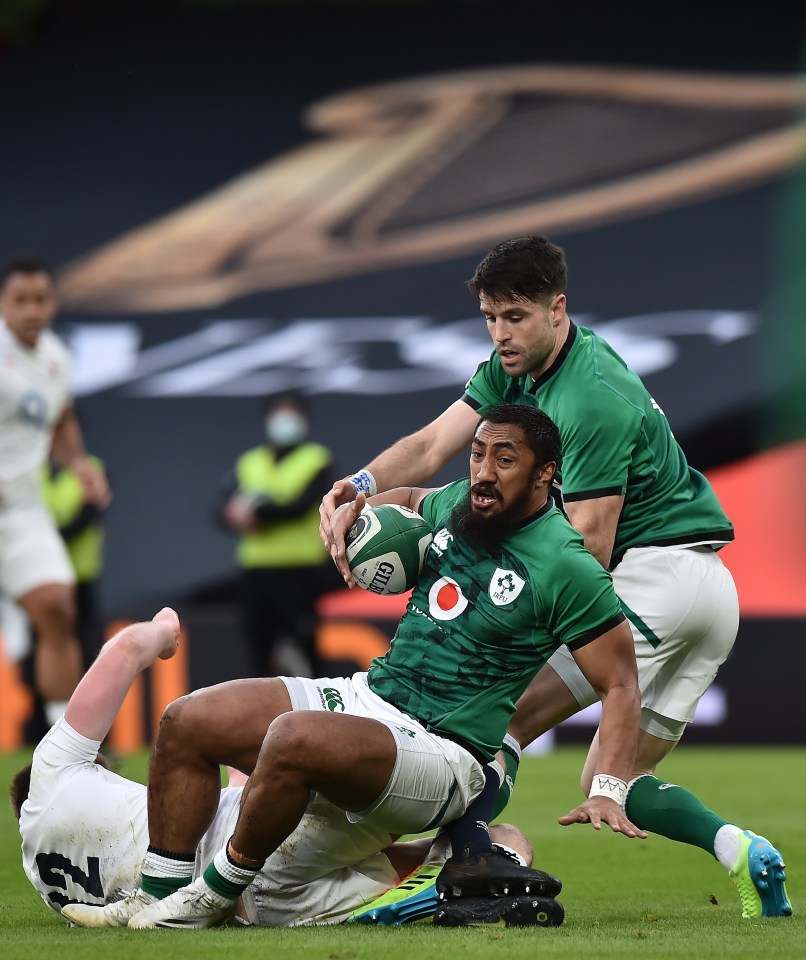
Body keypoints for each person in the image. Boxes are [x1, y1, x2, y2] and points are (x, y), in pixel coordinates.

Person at [319, 235, 792, 920]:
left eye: (515, 317)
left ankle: (450, 869)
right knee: (620, 779)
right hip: (705, 591)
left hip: (651, 576)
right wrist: (357, 486)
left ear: (557, 309)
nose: (500, 333)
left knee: (504, 717)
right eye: (490, 317)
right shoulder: (517, 369)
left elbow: (590, 550)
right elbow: (428, 446)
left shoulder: (589, 399)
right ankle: (741, 850)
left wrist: (489, 598)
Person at [63, 404, 643, 930]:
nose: (484, 471)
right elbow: (416, 499)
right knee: (186, 718)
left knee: (293, 738)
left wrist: (610, 788)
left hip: (446, 754)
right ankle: (153, 894)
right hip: (373, 697)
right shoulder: (459, 506)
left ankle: (208, 898)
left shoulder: (567, 564)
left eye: (505, 458)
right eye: (477, 453)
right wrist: (361, 516)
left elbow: (619, 681)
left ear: (545, 474)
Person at [11, 608, 544, 928]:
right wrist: (161, 630)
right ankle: (465, 846)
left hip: (263, 906)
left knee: (503, 839)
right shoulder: (53, 772)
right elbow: (124, 648)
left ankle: (429, 895)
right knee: (475, 781)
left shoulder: (47, 882)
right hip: (262, 840)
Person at [0, 255, 110, 728]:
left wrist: (79, 463)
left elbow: (60, 415)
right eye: (19, 300)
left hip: (22, 510)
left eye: (39, 299)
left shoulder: (56, 357)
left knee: (57, 608)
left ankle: (60, 746)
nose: (30, 310)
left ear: (53, 304)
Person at [218, 390, 336, 677]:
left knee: (303, 645)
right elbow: (221, 506)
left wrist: (257, 514)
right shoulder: (249, 462)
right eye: (278, 413)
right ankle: (262, 717)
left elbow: (300, 506)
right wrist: (233, 515)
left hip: (299, 571)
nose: (284, 420)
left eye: (292, 412)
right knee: (258, 648)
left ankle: (316, 716)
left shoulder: (317, 459)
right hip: (255, 571)